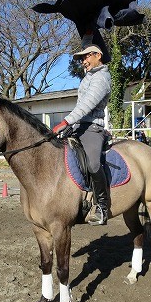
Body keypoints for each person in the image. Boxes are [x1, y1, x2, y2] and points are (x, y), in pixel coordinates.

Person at [52, 44, 112, 225]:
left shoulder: (102, 77)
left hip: (93, 128)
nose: (83, 61)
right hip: (78, 126)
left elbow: (87, 104)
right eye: (82, 59)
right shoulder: (88, 77)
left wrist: (65, 122)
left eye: (86, 57)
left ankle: (102, 206)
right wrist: (70, 125)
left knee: (93, 164)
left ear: (98, 56)